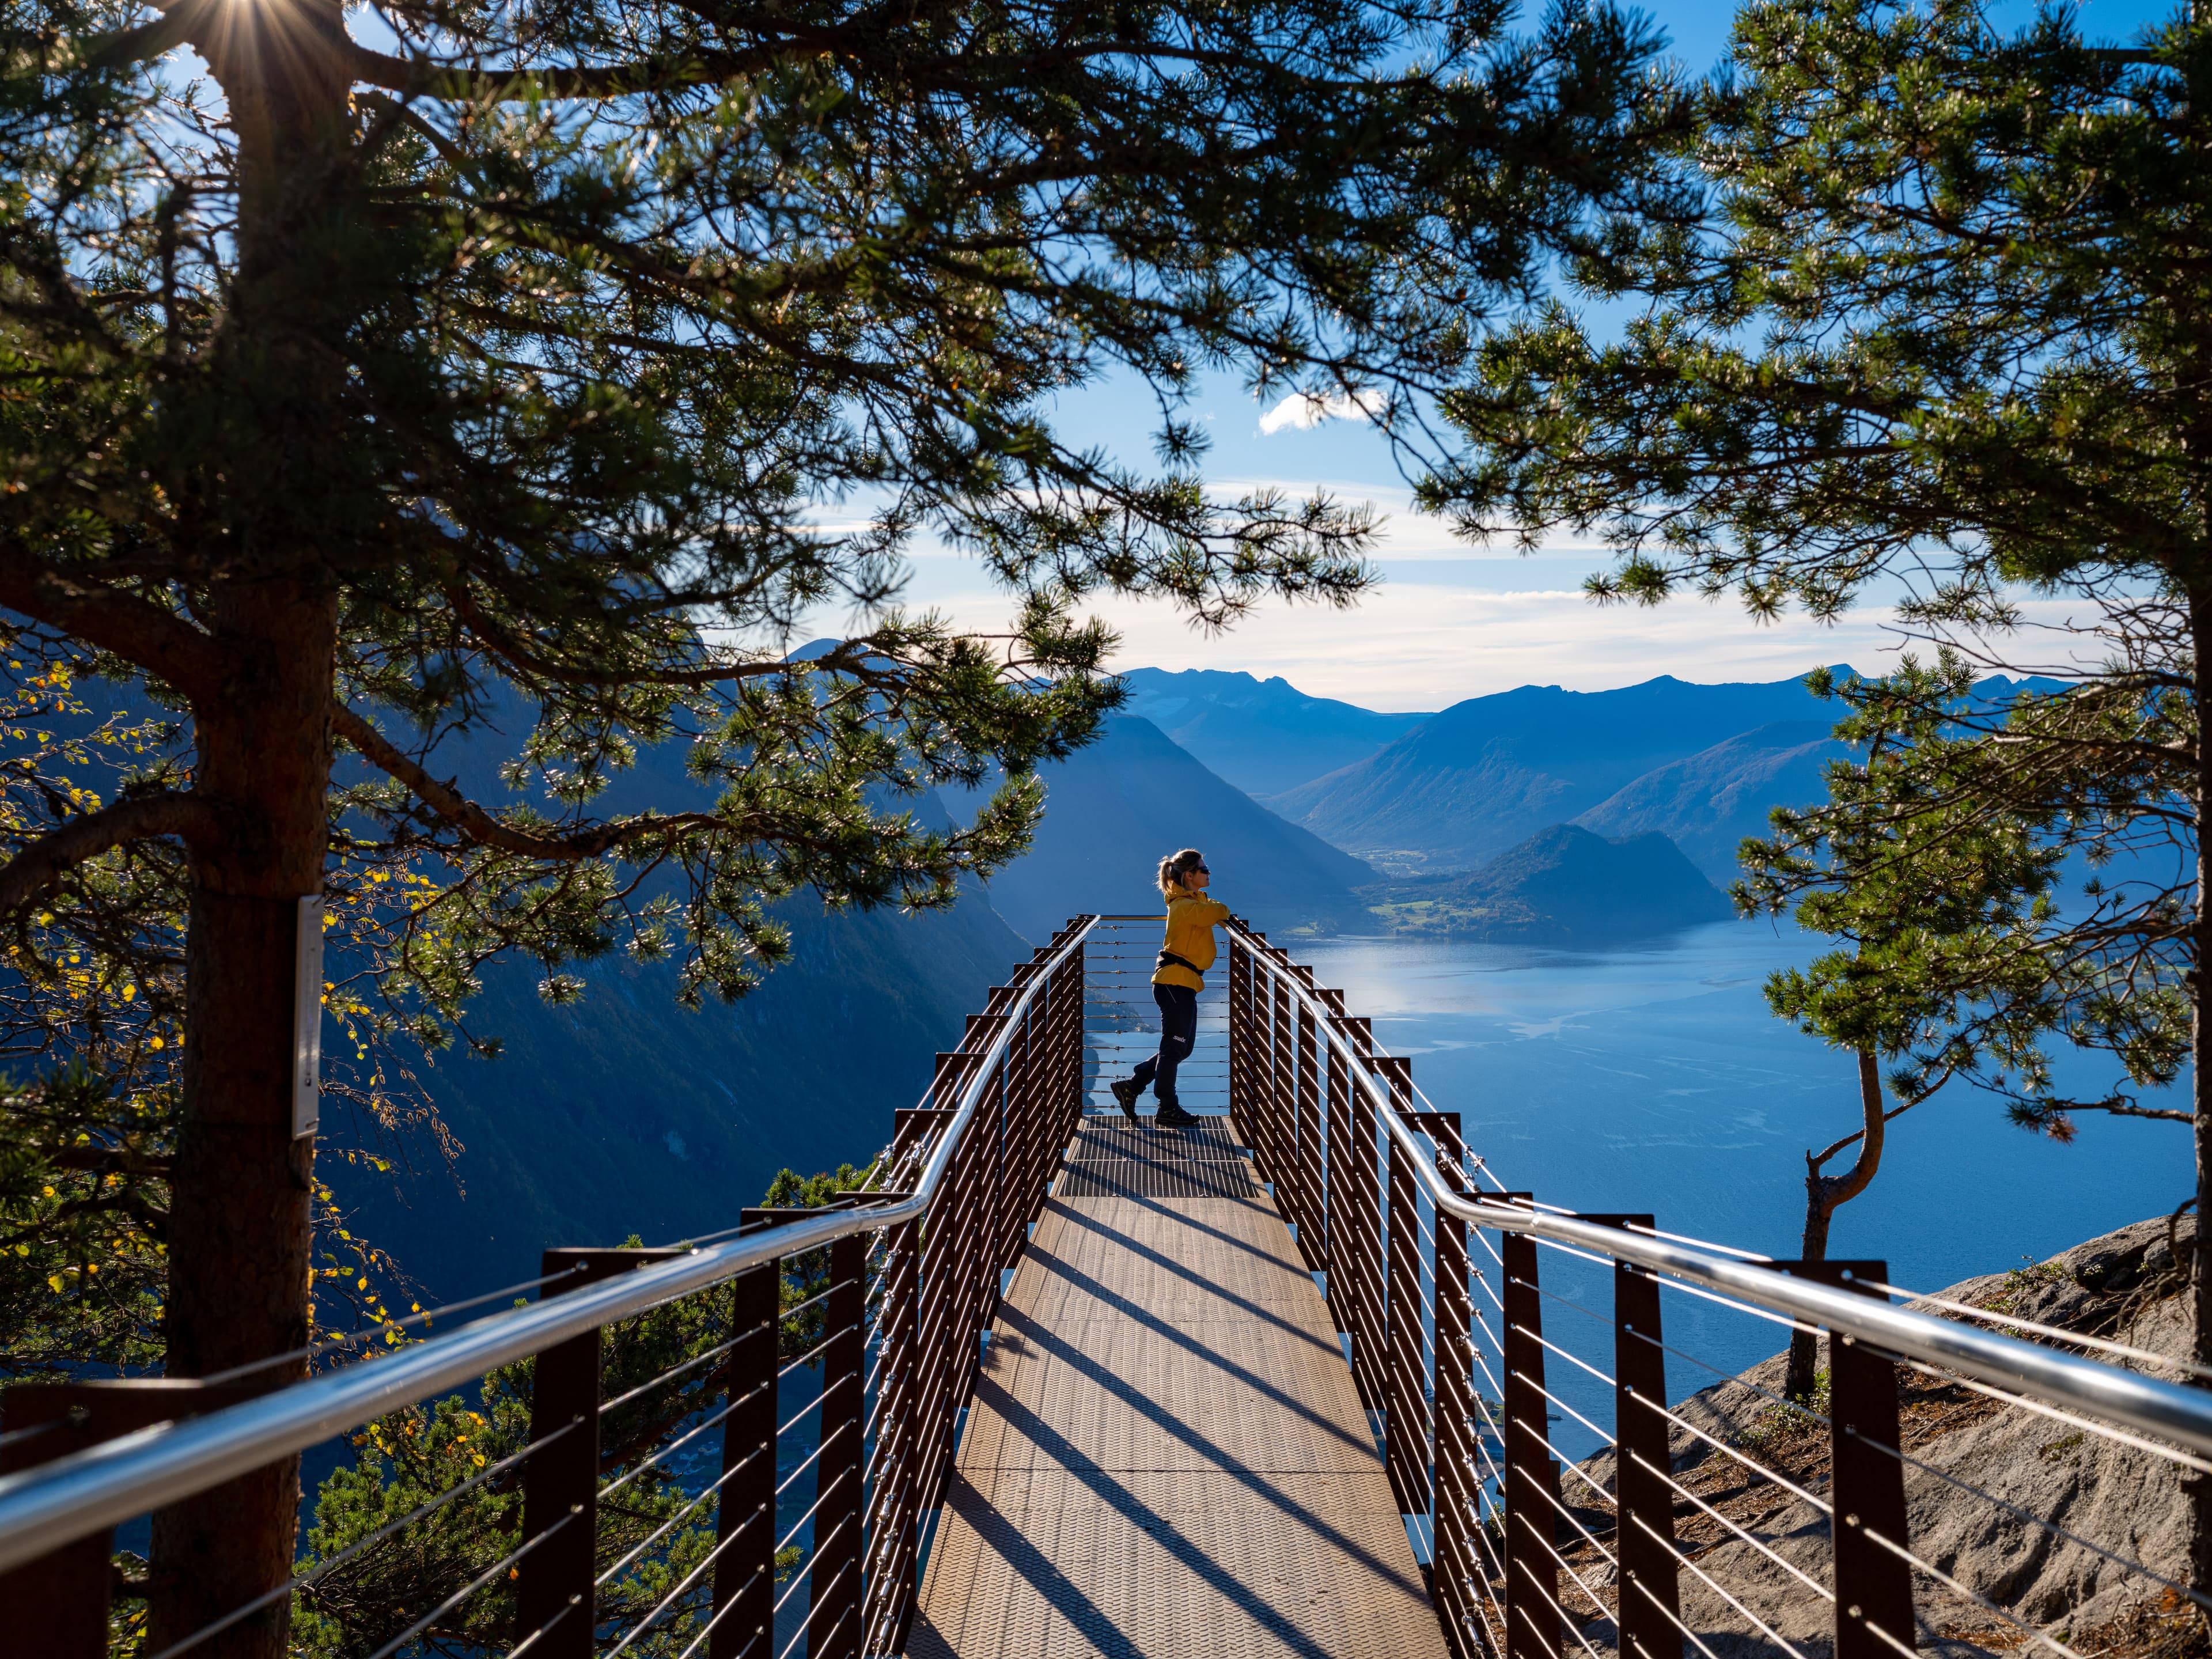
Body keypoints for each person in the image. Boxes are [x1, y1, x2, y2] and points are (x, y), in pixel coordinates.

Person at [1112, 847, 1228, 1130]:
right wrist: (1216, 908)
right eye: (1204, 869)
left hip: (1182, 982)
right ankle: (1167, 1106)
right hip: (1176, 981)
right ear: (1190, 875)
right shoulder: (1186, 907)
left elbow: (1210, 910)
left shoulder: (1191, 902)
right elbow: (1217, 911)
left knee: (1181, 1048)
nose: (1208, 873)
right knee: (1174, 1047)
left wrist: (1211, 906)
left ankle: (1132, 1086)